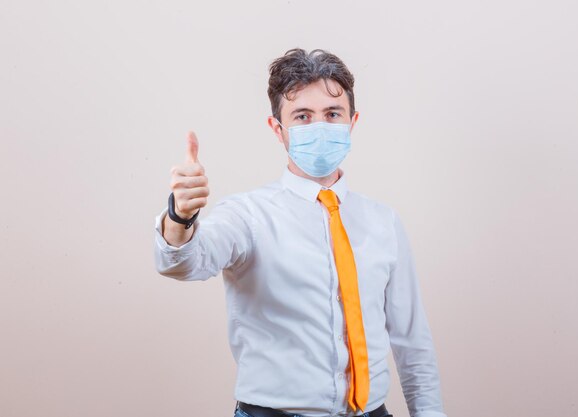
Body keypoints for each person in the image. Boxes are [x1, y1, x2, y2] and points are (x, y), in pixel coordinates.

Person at [154, 48, 447, 417]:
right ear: (278, 129)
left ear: (351, 122)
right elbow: (183, 264)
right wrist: (180, 216)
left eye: (332, 114)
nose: (319, 127)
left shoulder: (383, 222)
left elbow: (412, 341)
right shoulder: (248, 216)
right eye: (303, 116)